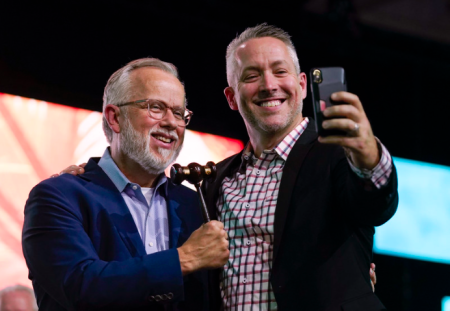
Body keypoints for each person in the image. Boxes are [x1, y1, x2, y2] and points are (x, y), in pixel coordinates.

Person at [200, 24, 398, 310]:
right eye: (252, 75)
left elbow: (375, 204)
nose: (269, 85)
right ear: (231, 97)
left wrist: (369, 155)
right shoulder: (214, 179)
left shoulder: (339, 153)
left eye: (280, 71)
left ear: (303, 85)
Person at [22, 58, 229, 311]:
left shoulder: (195, 204)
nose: (171, 123)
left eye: (178, 113)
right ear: (114, 117)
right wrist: (184, 259)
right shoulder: (58, 196)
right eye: (155, 107)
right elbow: (79, 286)